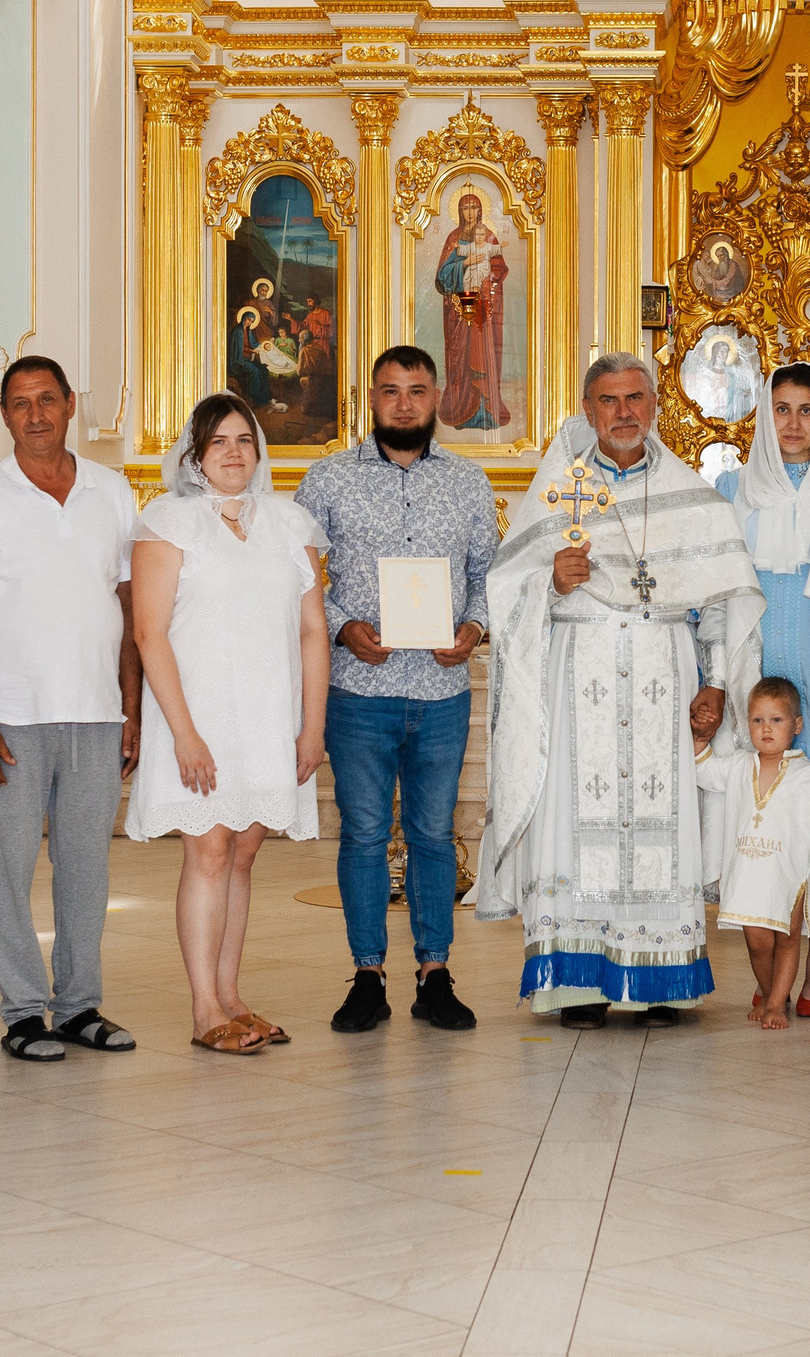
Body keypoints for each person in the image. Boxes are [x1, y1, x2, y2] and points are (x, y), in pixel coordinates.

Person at [480, 353, 763, 1028]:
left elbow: (723, 596)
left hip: (666, 676)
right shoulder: (559, 492)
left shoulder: (691, 494)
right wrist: (552, 581)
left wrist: (719, 681)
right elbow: (505, 586)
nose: (625, 412)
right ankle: (578, 983)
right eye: (610, 400)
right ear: (587, 410)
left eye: (637, 397)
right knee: (577, 821)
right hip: (582, 673)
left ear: (657, 404)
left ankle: (660, 980)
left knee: (663, 819)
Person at [0, 357, 143, 1062]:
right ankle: (23, 1010)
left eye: (47, 399)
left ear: (71, 403)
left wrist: (131, 708)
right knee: (5, 870)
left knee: (86, 870)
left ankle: (79, 1004)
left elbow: (129, 606)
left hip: (95, 713)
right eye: (20, 404)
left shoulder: (113, 492)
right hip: (10, 718)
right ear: (3, 414)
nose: (36, 414)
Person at [295, 346, 496, 1036]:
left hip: (441, 688)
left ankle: (435, 974)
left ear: (438, 394)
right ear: (369, 398)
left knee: (434, 835)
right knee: (364, 834)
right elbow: (299, 580)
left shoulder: (469, 482)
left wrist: (473, 627)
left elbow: (486, 574)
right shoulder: (326, 480)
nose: (404, 403)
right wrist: (340, 624)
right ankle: (367, 974)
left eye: (416, 389)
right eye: (390, 391)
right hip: (359, 686)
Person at [128, 392, 329, 1053]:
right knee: (209, 850)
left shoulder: (291, 524)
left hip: (268, 712)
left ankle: (233, 993)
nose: (234, 452)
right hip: (199, 715)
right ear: (195, 454)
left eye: (244, 438)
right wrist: (184, 733)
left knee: (243, 852)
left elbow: (310, 632)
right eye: (219, 441)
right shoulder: (168, 522)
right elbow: (149, 633)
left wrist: (311, 726)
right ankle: (203, 1006)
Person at [716, 364, 810, 1014]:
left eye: (808, 410)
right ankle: (770, 954)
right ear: (763, 416)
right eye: (782, 408)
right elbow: (718, 592)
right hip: (759, 666)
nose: (795, 423)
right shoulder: (733, 489)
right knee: (761, 812)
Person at [693, 677, 810, 1030]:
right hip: (747, 873)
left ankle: (775, 1005)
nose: (766, 729)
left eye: (777, 720)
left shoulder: (806, 772)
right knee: (756, 944)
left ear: (797, 725)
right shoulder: (738, 766)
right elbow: (704, 770)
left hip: (787, 872)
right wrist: (699, 740)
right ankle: (773, 993)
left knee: (786, 938)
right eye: (758, 721)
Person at [434, 196, 511, 431]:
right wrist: (465, 263)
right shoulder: (454, 238)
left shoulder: (488, 236)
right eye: (465, 207)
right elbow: (442, 276)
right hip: (458, 309)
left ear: (480, 210)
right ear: (459, 210)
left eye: (474, 207)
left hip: (482, 309)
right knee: (460, 358)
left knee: (482, 355)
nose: (469, 211)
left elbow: (499, 267)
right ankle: (460, 410)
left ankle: (484, 411)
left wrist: (489, 279)